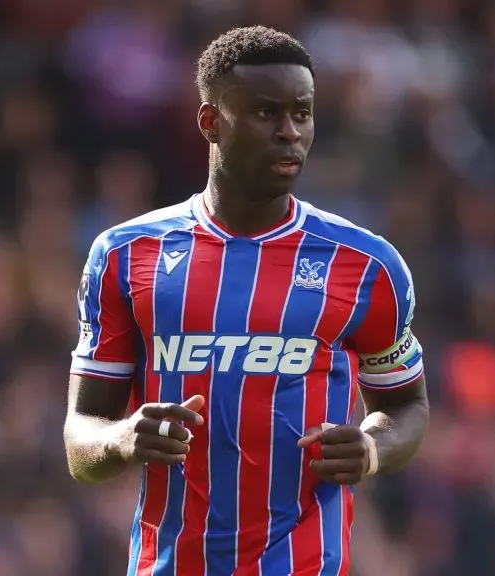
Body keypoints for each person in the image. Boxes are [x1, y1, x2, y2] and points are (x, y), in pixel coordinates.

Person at [63, 26, 429, 576]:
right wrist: (120, 438)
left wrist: (372, 448)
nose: (290, 133)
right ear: (211, 122)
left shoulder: (367, 266)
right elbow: (80, 437)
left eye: (301, 114)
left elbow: (407, 406)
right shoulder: (125, 255)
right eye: (265, 113)